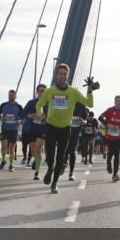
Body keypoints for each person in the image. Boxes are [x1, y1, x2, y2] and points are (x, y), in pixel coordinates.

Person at [34, 64, 96, 194]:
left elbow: (89, 103)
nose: (62, 76)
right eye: (60, 73)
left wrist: (90, 90)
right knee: (50, 156)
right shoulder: (49, 91)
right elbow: (39, 104)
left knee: (61, 157)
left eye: (64, 74)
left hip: (65, 129)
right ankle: (50, 168)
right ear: (57, 75)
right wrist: (41, 115)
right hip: (51, 126)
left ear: (68, 76)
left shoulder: (73, 92)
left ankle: (55, 184)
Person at [99, 95, 120, 182]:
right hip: (109, 136)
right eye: (117, 101)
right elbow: (100, 117)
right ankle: (108, 164)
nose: (118, 102)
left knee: (117, 154)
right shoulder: (110, 110)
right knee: (110, 153)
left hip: (119, 137)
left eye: (119, 101)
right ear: (114, 102)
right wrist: (107, 124)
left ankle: (115, 174)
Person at [22, 84, 48, 180]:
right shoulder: (31, 102)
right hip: (32, 129)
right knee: (33, 151)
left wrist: (46, 116)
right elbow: (23, 114)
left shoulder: (48, 103)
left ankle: (37, 173)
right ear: (37, 92)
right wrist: (29, 116)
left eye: (44, 91)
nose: (42, 92)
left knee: (38, 148)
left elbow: (52, 115)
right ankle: (37, 159)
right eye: (40, 90)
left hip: (43, 129)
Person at [0, 90, 25, 171]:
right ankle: (3, 160)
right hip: (5, 128)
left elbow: (23, 118)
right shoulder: (3, 105)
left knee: (11, 149)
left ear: (16, 96)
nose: (11, 97)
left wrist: (19, 121)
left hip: (14, 130)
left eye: (13, 95)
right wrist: (1, 118)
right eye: (10, 95)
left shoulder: (19, 107)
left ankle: (11, 165)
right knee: (3, 147)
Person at [66, 102, 89, 180]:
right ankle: (64, 162)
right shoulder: (66, 100)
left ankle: (71, 173)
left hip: (75, 131)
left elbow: (86, 121)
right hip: (63, 129)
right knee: (64, 150)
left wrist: (83, 122)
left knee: (72, 151)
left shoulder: (81, 105)